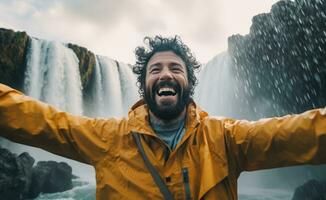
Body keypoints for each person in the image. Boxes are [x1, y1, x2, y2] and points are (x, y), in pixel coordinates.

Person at [0, 35, 326, 200]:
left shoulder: (225, 138)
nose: (165, 74)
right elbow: (41, 121)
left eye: (175, 69)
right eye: (156, 69)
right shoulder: (108, 137)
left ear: (187, 84)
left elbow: (297, 133)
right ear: (143, 87)